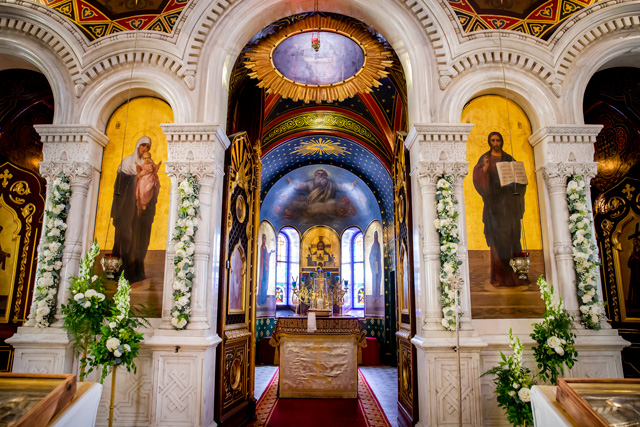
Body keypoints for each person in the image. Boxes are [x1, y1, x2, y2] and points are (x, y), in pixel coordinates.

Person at [472, 131, 526, 287]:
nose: (495, 143)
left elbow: (520, 180)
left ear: (501, 142)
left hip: (509, 206)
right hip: (494, 207)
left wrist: (516, 184)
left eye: (498, 140)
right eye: (493, 140)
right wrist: (484, 169)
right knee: (497, 240)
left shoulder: (509, 159)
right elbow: (478, 179)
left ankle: (517, 275)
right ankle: (500, 277)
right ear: (490, 142)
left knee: (513, 238)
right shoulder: (485, 159)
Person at [111, 136, 159, 283]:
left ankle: (136, 272)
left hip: (141, 212)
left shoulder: (149, 164)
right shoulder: (127, 162)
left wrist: (151, 182)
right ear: (138, 146)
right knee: (126, 238)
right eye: (143, 146)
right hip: (127, 209)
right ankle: (120, 271)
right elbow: (119, 185)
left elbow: (154, 184)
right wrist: (137, 177)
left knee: (140, 239)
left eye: (147, 147)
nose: (145, 149)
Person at [135, 151, 161, 216]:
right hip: (143, 180)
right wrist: (137, 165)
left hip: (150, 179)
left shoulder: (152, 164)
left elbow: (155, 170)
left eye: (148, 158)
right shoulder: (142, 165)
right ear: (143, 159)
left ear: (150, 158)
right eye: (145, 158)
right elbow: (139, 171)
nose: (146, 159)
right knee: (142, 191)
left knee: (148, 189)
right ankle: (142, 204)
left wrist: (158, 165)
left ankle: (145, 202)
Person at [257, 234, 275, 306]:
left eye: (265, 239)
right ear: (262, 239)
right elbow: (263, 258)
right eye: (263, 238)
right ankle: (260, 300)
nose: (264, 240)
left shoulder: (265, 248)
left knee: (265, 285)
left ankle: (264, 299)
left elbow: (267, 256)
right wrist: (265, 262)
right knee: (262, 284)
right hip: (263, 269)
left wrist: (270, 253)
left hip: (266, 270)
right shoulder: (261, 248)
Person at [369, 230, 382, 304]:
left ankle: (378, 295)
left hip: (378, 265)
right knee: (374, 280)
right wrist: (374, 258)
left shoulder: (379, 245)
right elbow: (370, 256)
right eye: (375, 235)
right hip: (374, 265)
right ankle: (374, 295)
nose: (376, 237)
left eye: (377, 235)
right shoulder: (373, 246)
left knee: (378, 280)